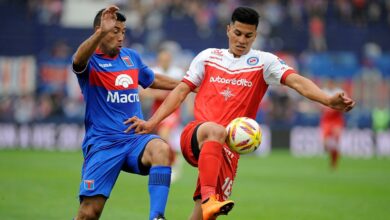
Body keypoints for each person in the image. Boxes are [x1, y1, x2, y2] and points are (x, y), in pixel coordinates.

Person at [125, 6, 355, 220]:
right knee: (214, 131)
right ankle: (208, 198)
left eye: (248, 35)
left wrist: (326, 99)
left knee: (204, 216)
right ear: (228, 29)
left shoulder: (265, 62)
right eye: (237, 33)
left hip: (228, 149)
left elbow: (297, 82)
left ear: (255, 35)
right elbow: (181, 90)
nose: (241, 40)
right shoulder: (208, 57)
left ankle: (207, 203)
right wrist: (152, 122)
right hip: (197, 135)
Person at [72, 6, 179, 220]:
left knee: (161, 149)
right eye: (115, 31)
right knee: (88, 213)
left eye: (123, 31)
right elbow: (77, 60)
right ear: (99, 30)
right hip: (104, 144)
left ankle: (157, 217)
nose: (121, 37)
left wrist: (188, 84)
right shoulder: (90, 61)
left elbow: (152, 79)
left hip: (134, 140)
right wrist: (102, 32)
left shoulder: (131, 57)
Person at [141, 48, 185, 182]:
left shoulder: (177, 73)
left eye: (167, 59)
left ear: (170, 60)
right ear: (159, 60)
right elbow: (142, 92)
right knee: (160, 138)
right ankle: (171, 158)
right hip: (157, 109)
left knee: (165, 135)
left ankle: (172, 162)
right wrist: (158, 94)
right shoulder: (154, 72)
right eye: (162, 59)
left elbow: (183, 91)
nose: (165, 62)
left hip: (172, 109)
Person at [319, 78, 346, 170]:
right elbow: (319, 106)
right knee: (325, 143)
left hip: (336, 119)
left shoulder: (340, 92)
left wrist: (335, 108)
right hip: (326, 119)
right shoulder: (323, 92)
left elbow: (345, 105)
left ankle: (334, 163)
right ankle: (330, 153)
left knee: (335, 142)